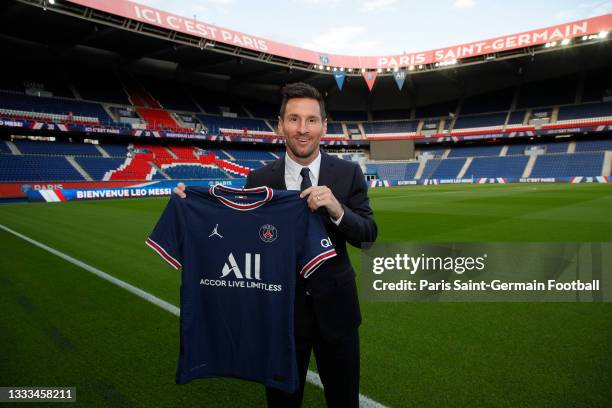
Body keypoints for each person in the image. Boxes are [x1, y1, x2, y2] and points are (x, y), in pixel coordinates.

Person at [174, 82, 377, 407]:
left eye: (311, 120)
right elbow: (235, 237)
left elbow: (368, 235)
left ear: (324, 126)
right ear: (280, 124)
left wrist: (338, 210)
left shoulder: (349, 173)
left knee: (344, 402)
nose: (302, 129)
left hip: (337, 314)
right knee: (282, 404)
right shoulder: (259, 180)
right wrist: (191, 208)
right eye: (294, 119)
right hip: (279, 318)